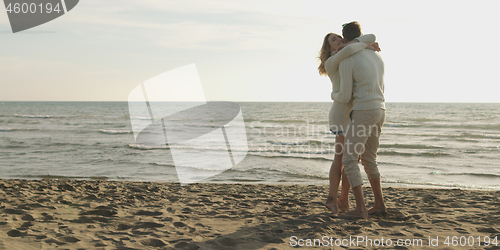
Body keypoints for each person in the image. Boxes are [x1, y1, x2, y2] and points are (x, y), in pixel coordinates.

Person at [318, 30, 380, 214]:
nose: (338, 40)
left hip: (353, 113)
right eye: (333, 40)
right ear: (328, 48)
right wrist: (367, 46)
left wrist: (364, 44)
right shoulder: (332, 60)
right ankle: (332, 199)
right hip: (340, 112)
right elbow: (362, 44)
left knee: (352, 159)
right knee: (341, 158)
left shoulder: (348, 52)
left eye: (339, 37)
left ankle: (343, 199)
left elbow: (370, 36)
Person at [333, 21, 386, 218]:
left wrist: (334, 95)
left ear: (345, 38)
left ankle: (360, 209)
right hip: (380, 109)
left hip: (364, 110)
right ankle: (379, 205)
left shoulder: (348, 59)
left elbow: (345, 96)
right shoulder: (376, 54)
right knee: (370, 159)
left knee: (349, 158)